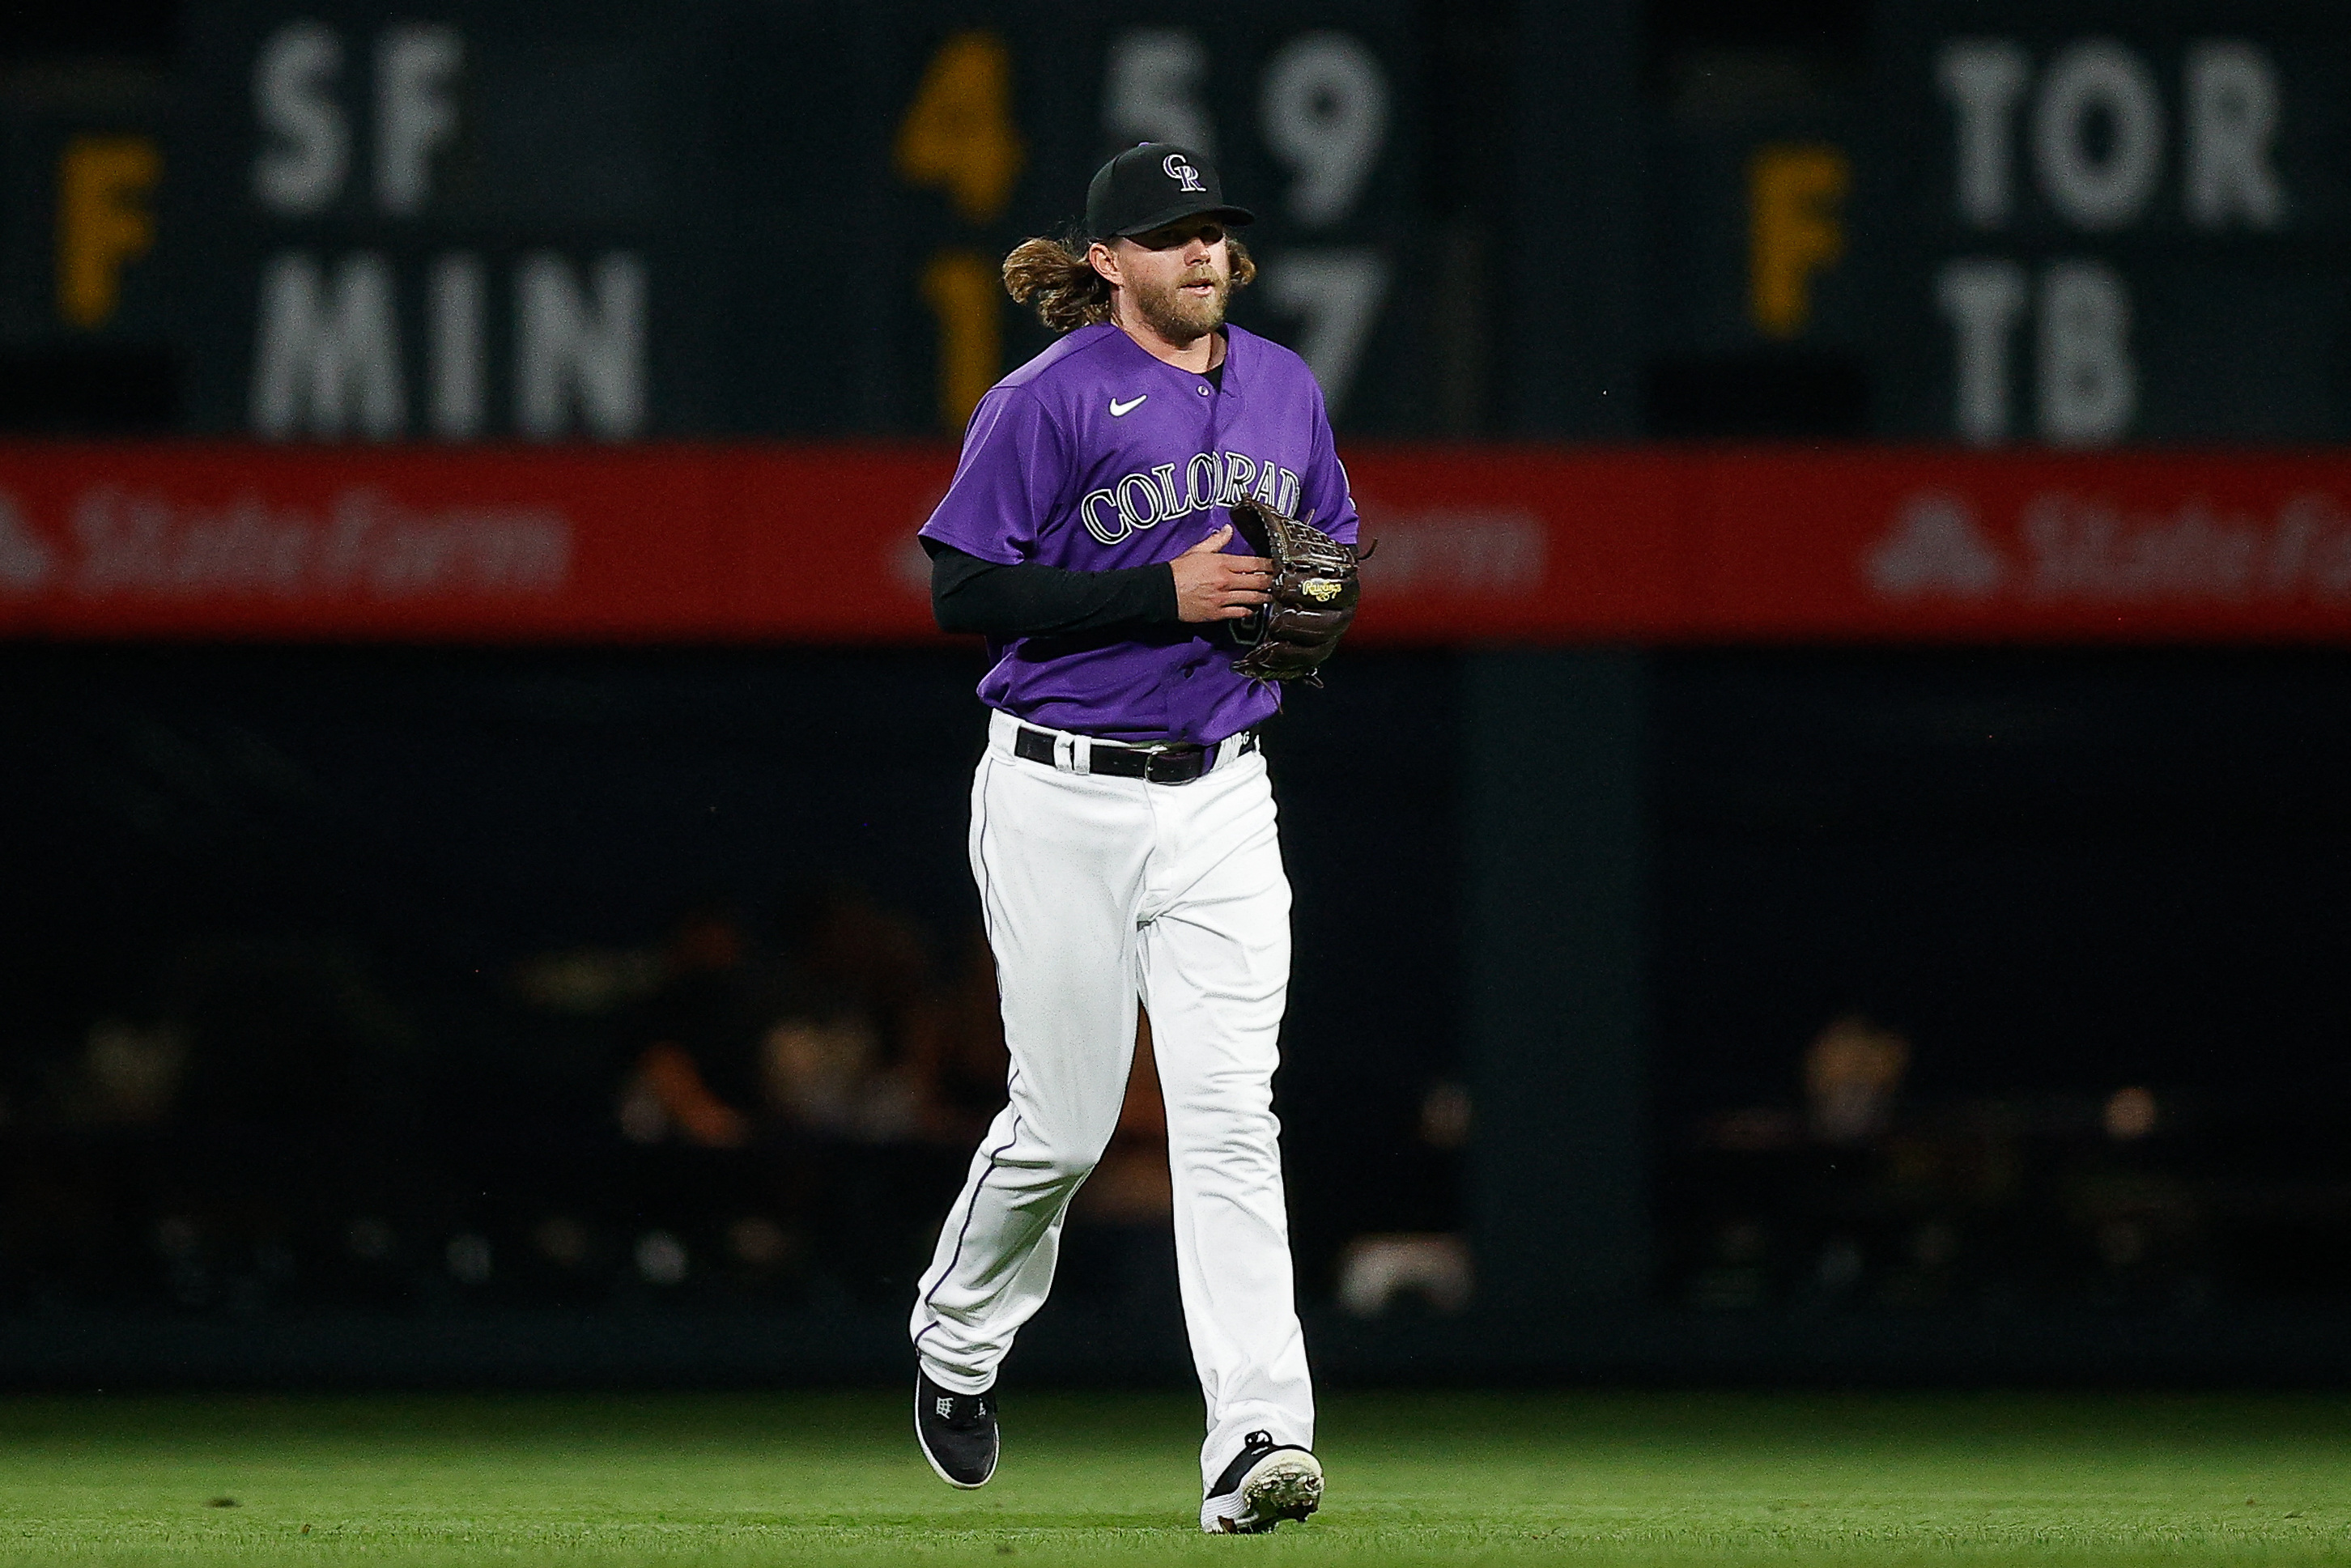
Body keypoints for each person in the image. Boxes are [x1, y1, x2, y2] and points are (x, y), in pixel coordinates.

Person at [907, 142, 1358, 1535]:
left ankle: (1256, 1438)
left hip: (1224, 786)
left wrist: (1318, 593)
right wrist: (1158, 591)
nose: (1204, 254)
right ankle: (958, 1337)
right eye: (1171, 236)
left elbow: (1332, 543)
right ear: (1107, 263)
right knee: (1067, 1122)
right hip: (1061, 790)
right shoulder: (1041, 403)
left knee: (1231, 1120)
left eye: (1215, 230)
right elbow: (960, 584)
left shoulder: (1283, 384)